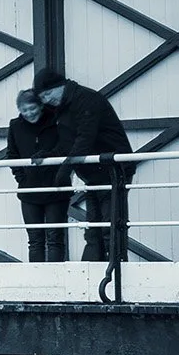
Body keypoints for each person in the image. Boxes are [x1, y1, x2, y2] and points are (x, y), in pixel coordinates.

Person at [35, 67, 133, 261]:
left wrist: (66, 169)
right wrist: (49, 155)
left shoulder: (86, 99)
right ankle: (92, 274)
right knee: (93, 227)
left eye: (47, 94)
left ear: (59, 87)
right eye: (42, 98)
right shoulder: (63, 109)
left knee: (111, 222)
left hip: (114, 171)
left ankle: (117, 270)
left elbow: (84, 139)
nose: (46, 101)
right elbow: (67, 143)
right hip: (93, 174)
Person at [0, 87, 68, 261]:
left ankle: (56, 280)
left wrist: (60, 175)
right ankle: (38, 281)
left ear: (40, 106)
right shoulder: (15, 126)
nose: (29, 113)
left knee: (55, 239)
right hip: (29, 190)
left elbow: (65, 147)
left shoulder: (56, 121)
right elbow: (12, 154)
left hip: (56, 188)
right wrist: (21, 178)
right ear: (19, 110)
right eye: (24, 110)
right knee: (35, 240)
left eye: (32, 108)